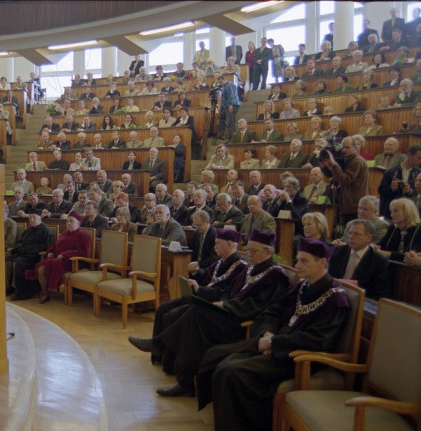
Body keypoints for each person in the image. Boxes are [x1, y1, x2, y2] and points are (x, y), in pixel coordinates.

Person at [196, 237, 349, 430]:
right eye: (297, 259)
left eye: (304, 261)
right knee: (216, 355)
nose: (296, 265)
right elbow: (273, 311)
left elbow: (319, 340)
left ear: (323, 262)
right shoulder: (302, 286)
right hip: (276, 341)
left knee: (232, 372)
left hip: (299, 357)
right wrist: (268, 333)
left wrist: (276, 343)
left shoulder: (336, 299)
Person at [133, 229, 289, 399]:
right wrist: (221, 300)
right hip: (228, 312)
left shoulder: (275, 276)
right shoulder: (253, 269)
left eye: (253, 250)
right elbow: (230, 290)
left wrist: (225, 304)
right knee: (193, 312)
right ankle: (181, 376)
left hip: (239, 322)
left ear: (268, 252)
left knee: (196, 314)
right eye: (248, 249)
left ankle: (163, 350)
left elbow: (256, 305)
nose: (248, 253)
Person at [35, 211, 90, 303]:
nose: (68, 223)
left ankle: (47, 292)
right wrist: (50, 251)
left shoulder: (83, 235)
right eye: (67, 221)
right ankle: (45, 292)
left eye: (71, 221)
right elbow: (55, 245)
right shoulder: (64, 233)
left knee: (50, 265)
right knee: (41, 268)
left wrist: (65, 255)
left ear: (78, 223)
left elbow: (83, 252)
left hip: (72, 262)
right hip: (58, 259)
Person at [328, 219, 391, 299]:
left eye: (356, 234)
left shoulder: (378, 261)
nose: (351, 237)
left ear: (368, 238)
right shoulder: (338, 252)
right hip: (335, 297)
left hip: (361, 302)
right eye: (350, 233)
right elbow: (329, 279)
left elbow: (381, 294)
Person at [322, 136, 369, 226]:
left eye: (347, 147)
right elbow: (331, 175)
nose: (343, 150)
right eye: (342, 147)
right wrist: (323, 164)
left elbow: (344, 180)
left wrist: (334, 164)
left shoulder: (357, 161)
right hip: (346, 205)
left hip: (354, 206)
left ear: (355, 148)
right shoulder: (346, 160)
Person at [10, 207, 55, 301]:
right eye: (30, 218)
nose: (32, 220)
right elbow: (20, 241)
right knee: (11, 259)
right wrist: (20, 248)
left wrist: (26, 249)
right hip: (25, 254)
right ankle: (12, 289)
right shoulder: (29, 230)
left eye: (34, 217)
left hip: (36, 257)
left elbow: (46, 247)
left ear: (40, 218)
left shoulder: (46, 230)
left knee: (19, 262)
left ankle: (23, 293)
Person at [377, 144, 421, 219]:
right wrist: (392, 189)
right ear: (409, 155)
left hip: (410, 213)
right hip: (391, 213)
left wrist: (410, 191)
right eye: (419, 158)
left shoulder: (419, 173)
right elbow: (381, 191)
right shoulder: (391, 171)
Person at [375, 198, 421, 262]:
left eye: (396, 211)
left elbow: (413, 255)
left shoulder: (419, 229)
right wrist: (374, 247)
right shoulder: (393, 228)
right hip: (392, 265)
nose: (392, 215)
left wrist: (388, 254)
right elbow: (381, 245)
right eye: (391, 211)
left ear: (407, 211)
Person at [216, 75, 239, 141]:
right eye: (219, 83)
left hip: (231, 105)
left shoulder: (230, 85)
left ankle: (232, 137)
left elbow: (231, 95)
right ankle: (222, 134)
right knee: (221, 118)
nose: (220, 84)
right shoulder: (224, 87)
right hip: (225, 106)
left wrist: (231, 104)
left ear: (224, 80)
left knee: (230, 122)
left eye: (221, 82)